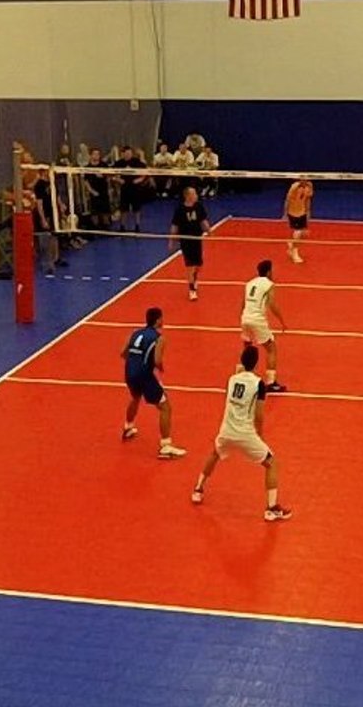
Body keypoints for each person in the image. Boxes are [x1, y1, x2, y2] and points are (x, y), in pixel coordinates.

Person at [191, 345, 293, 522]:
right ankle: (271, 508)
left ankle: (198, 489)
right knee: (271, 463)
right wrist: (259, 435)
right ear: (256, 363)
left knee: (215, 454)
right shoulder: (259, 384)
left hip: (227, 430)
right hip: (245, 433)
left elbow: (234, 385)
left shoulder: (232, 379)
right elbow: (259, 413)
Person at [121, 307, 187, 459]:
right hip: (144, 375)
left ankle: (128, 426)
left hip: (129, 372)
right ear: (158, 320)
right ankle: (166, 445)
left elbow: (123, 353)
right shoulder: (159, 338)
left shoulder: (135, 333)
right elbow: (157, 360)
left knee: (136, 397)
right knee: (165, 406)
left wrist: (134, 363)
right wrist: (161, 369)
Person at [241, 260, 288, 393]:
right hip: (257, 319)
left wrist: (243, 318)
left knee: (247, 347)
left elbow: (243, 303)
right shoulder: (269, 285)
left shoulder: (249, 283)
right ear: (268, 272)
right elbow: (272, 305)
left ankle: (243, 375)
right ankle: (271, 381)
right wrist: (282, 321)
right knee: (271, 348)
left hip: (245, 318)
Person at [169, 187, 211, 301]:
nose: (196, 195)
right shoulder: (180, 209)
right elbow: (174, 226)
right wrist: (171, 241)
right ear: (188, 196)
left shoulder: (199, 207)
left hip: (197, 239)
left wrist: (208, 230)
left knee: (198, 265)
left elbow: (203, 221)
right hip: (185, 240)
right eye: (194, 194)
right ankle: (192, 290)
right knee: (190, 266)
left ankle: (194, 279)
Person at [113, 146, 148, 232]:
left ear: (132, 154)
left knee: (137, 208)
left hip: (135, 188)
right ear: (123, 154)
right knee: (123, 209)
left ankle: (137, 226)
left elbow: (146, 171)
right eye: (126, 153)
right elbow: (112, 174)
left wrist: (140, 179)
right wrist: (118, 179)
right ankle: (122, 226)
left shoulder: (136, 162)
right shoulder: (119, 163)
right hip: (124, 188)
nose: (128, 155)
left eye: (129, 153)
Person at [284, 179, 313, 264]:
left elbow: (308, 200)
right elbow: (288, 199)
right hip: (293, 212)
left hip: (302, 212)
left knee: (301, 233)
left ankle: (291, 245)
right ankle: (294, 253)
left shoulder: (309, 186)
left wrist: (308, 213)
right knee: (298, 232)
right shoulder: (294, 186)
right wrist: (285, 212)